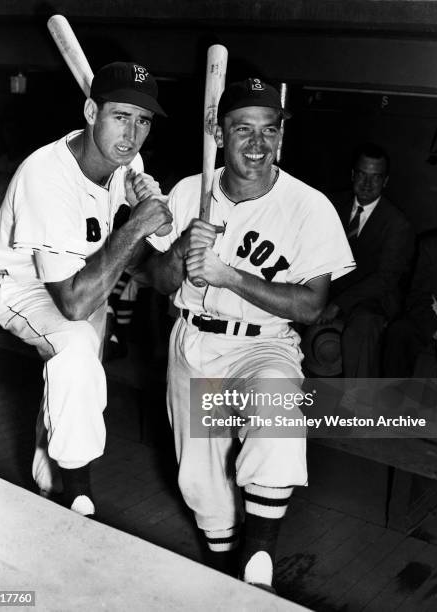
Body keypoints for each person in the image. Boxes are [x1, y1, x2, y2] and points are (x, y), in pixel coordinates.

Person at [142, 78, 354, 591]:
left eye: (269, 131)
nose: (258, 145)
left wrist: (229, 275)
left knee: (277, 407)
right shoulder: (189, 190)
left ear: (281, 136)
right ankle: (225, 573)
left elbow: (311, 305)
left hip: (263, 344)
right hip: (193, 341)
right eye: (243, 130)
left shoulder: (309, 206)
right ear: (218, 132)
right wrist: (179, 253)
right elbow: (157, 280)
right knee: (200, 486)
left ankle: (260, 557)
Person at [0, 62, 172, 517]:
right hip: (25, 288)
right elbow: (71, 304)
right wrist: (137, 225)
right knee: (73, 350)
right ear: (91, 111)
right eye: (120, 116)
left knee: (74, 380)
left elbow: (143, 268)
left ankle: (52, 483)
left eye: (142, 120)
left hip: (86, 277)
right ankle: (78, 498)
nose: (131, 133)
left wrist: (150, 217)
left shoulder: (130, 165)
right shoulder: (45, 175)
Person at [315, 143, 414, 377]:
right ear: (353, 175)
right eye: (362, 175)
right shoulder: (329, 205)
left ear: (385, 181)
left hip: (372, 300)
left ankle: (359, 401)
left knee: (363, 324)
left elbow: (384, 280)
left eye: (376, 177)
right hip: (328, 289)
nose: (367, 184)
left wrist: (337, 304)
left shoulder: (397, 224)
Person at [383, 229, 437, 377]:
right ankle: (393, 393)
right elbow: (417, 297)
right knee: (399, 332)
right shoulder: (431, 246)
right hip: (435, 317)